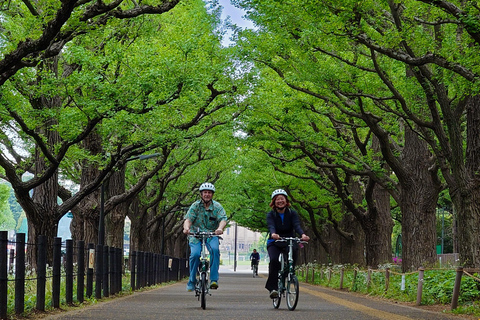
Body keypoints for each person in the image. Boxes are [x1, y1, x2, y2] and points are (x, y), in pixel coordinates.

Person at [265, 189, 309, 299]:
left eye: (282, 199)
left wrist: (303, 235)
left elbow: (296, 225)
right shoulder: (271, 214)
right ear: (274, 202)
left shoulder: (292, 213)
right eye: (277, 199)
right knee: (274, 260)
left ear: (286, 201)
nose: (280, 201)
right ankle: (273, 288)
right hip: (275, 241)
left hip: (289, 240)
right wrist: (273, 233)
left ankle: (289, 275)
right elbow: (271, 226)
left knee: (293, 254)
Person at [183, 182, 227, 292]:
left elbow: (223, 219)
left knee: (215, 250)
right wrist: (186, 228)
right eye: (205, 192)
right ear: (201, 194)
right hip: (195, 235)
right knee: (195, 254)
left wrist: (220, 228)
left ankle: (213, 279)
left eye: (209, 193)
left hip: (211, 235)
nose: (207, 194)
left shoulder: (217, 207)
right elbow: (188, 219)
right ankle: (192, 281)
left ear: (212, 194)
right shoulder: (195, 206)